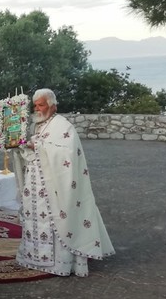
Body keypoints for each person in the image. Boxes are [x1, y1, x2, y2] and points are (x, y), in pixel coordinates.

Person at [11, 88, 115, 276]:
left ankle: (60, 263)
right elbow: (34, 151)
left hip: (54, 186)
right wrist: (22, 147)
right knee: (33, 217)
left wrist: (38, 146)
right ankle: (34, 257)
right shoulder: (38, 125)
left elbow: (67, 154)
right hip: (34, 183)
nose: (37, 109)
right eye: (35, 105)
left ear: (52, 106)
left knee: (55, 219)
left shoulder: (63, 126)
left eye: (41, 105)